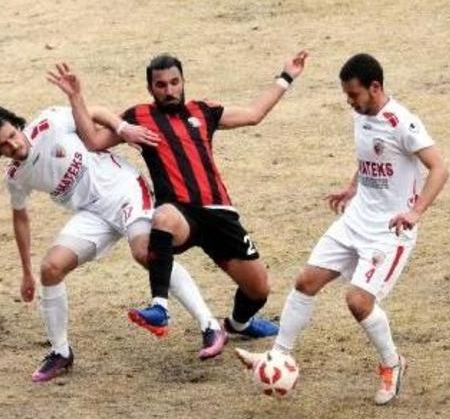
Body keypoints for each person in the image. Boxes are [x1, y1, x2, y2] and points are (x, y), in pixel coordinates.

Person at [235, 53, 449, 405]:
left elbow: (440, 168)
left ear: (375, 87)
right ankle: (279, 355)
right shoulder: (361, 116)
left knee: (358, 300)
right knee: (305, 281)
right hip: (355, 220)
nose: (350, 102)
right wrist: (353, 186)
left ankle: (393, 364)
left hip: (389, 232)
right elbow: (371, 158)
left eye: (355, 95)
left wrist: (416, 211)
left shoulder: (403, 123)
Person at [0, 100, 226, 383]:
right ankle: (60, 352)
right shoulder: (16, 178)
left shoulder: (50, 123)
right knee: (50, 269)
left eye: (13, 135)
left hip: (124, 189)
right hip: (92, 214)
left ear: (19, 126)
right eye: (4, 146)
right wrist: (27, 273)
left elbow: (94, 112)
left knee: (144, 253)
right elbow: (20, 219)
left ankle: (210, 326)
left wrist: (123, 127)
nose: (14, 145)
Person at [61, 51, 309, 342]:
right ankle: (159, 306)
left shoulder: (204, 112)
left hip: (220, 213)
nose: (169, 90)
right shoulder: (138, 117)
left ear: (183, 82)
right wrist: (76, 97)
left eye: (174, 82)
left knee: (259, 289)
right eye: (161, 85)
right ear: (151, 89)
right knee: (163, 217)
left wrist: (287, 76)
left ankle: (239, 325)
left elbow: (255, 115)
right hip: (181, 214)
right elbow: (92, 140)